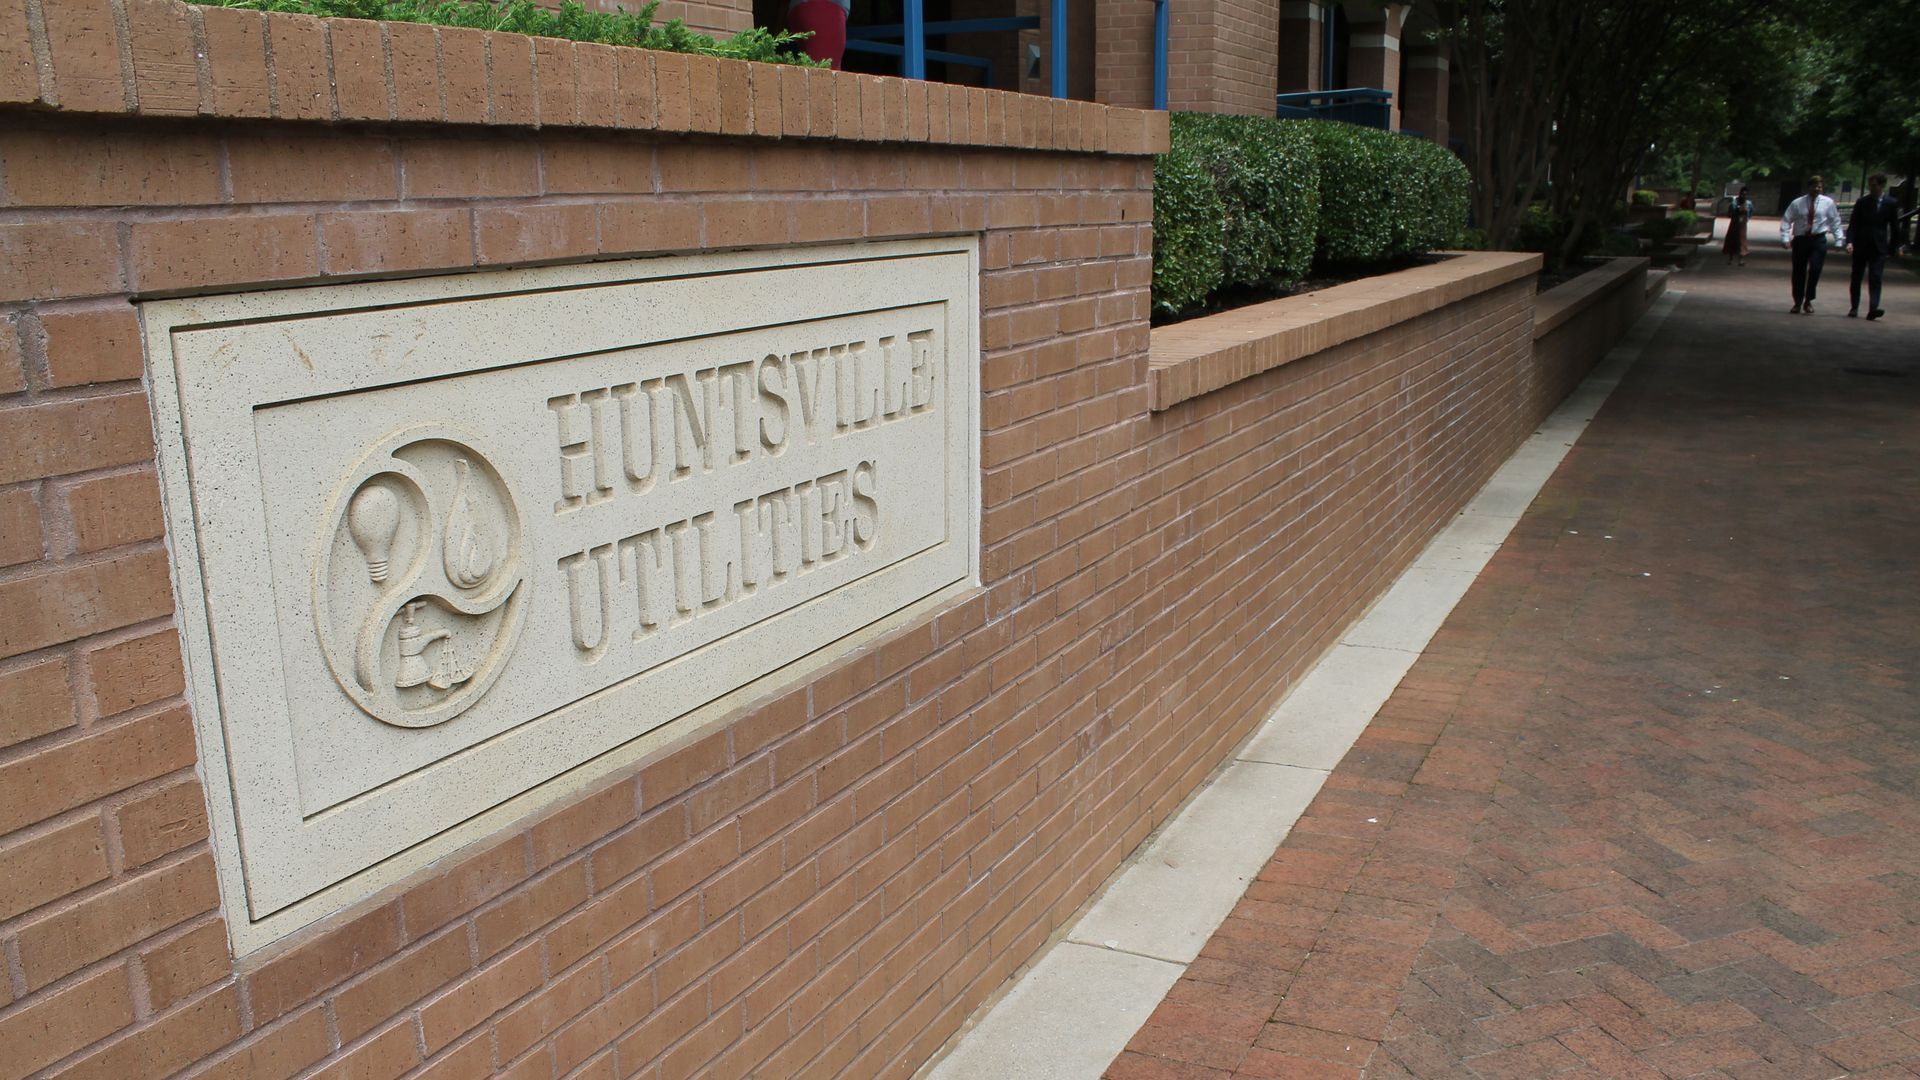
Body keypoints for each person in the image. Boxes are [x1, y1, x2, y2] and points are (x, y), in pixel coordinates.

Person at [1780, 175, 1843, 314]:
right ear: (1809, 187)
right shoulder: (1797, 203)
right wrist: (1785, 238)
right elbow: (1786, 220)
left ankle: (1808, 300)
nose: (1817, 189)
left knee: (1815, 269)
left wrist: (1839, 239)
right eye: (1814, 186)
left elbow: (1835, 221)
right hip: (1801, 239)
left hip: (1818, 239)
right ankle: (1797, 301)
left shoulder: (1828, 203)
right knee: (1798, 271)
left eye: (1820, 186)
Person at [1846, 173, 1897, 320]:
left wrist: (1893, 247)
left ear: (1881, 186)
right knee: (1856, 277)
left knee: (1876, 277)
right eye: (1870, 185)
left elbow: (1894, 227)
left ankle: (1873, 308)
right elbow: (1853, 225)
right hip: (1861, 244)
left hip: (1879, 246)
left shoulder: (1891, 203)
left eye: (1874, 185)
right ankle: (1854, 307)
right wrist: (1850, 241)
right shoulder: (1862, 202)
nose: (1871, 188)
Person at [1723, 186, 1754, 265]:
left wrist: (1746, 218)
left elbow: (1750, 213)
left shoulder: (1748, 204)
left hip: (1742, 224)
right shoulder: (1734, 203)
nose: (1743, 196)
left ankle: (1741, 259)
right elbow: (1729, 214)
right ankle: (1730, 258)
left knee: (1742, 241)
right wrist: (1736, 211)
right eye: (1742, 194)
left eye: (1745, 194)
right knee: (1732, 239)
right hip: (1734, 223)